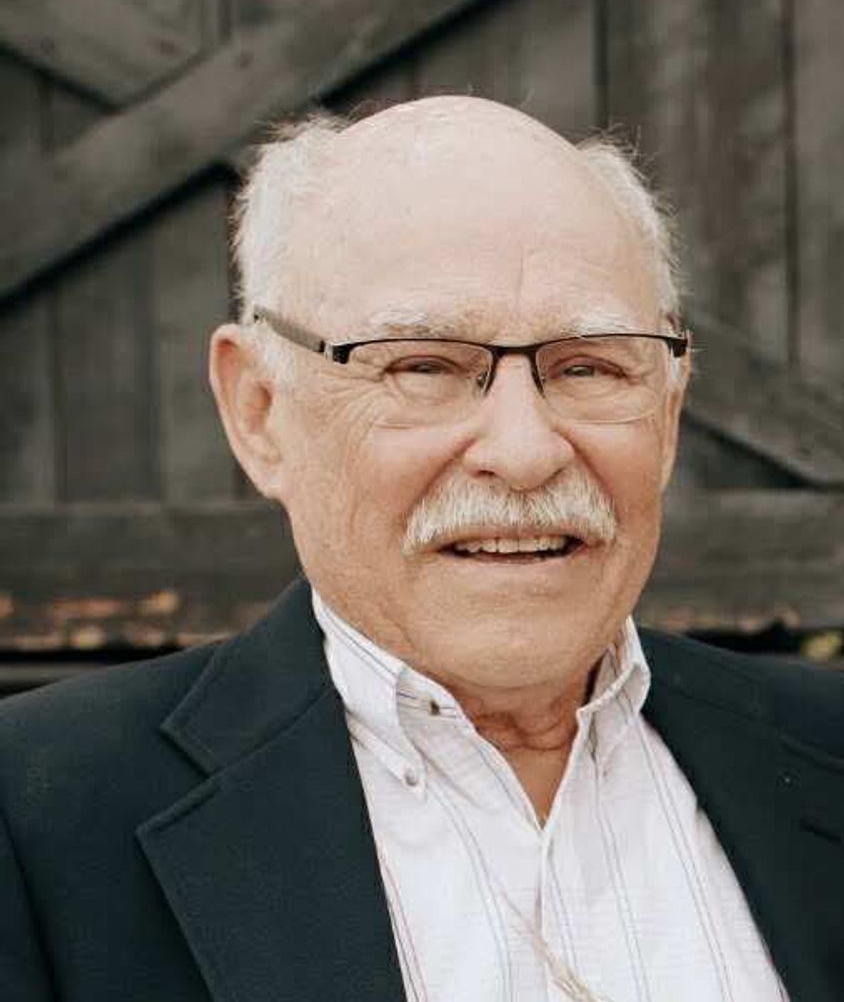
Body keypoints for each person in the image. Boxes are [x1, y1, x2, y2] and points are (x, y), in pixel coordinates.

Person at [0, 97, 841, 1002]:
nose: (525, 451)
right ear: (260, 411)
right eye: (424, 366)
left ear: (668, 412)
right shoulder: (37, 815)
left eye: (589, 366)